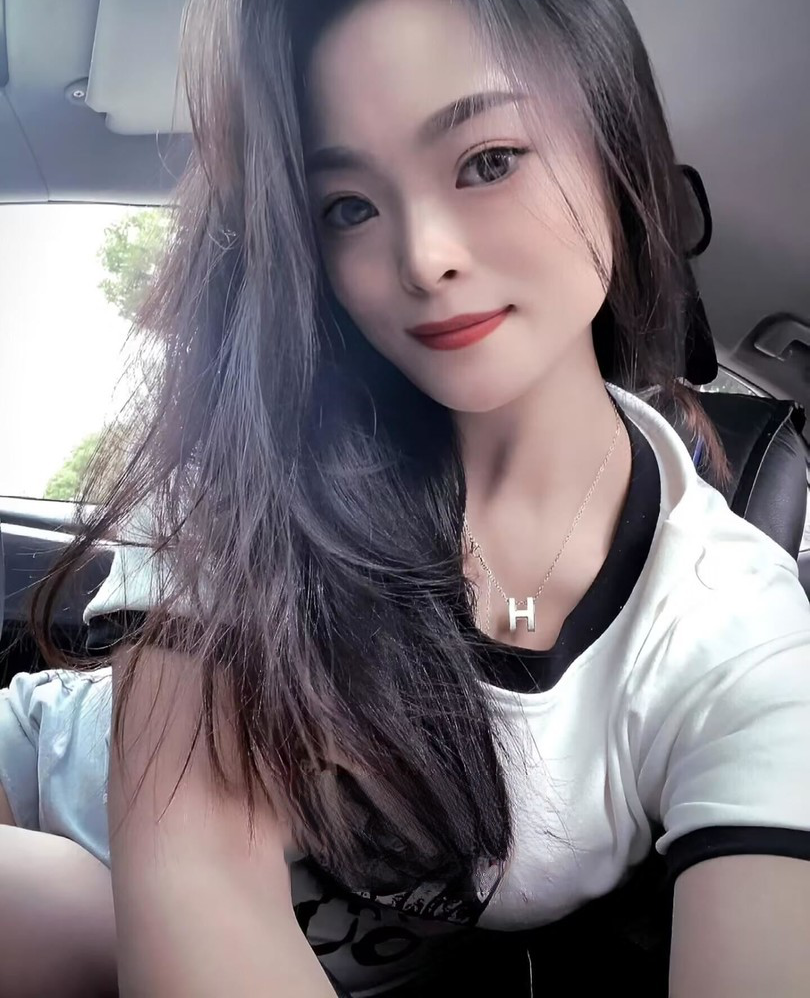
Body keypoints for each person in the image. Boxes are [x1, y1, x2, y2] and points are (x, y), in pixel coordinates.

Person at [1, 0, 809, 995]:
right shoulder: (253, 462)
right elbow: (201, 883)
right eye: (348, 207)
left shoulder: (733, 633)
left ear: (617, 150)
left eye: (488, 161)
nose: (424, 257)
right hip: (35, 787)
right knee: (78, 922)